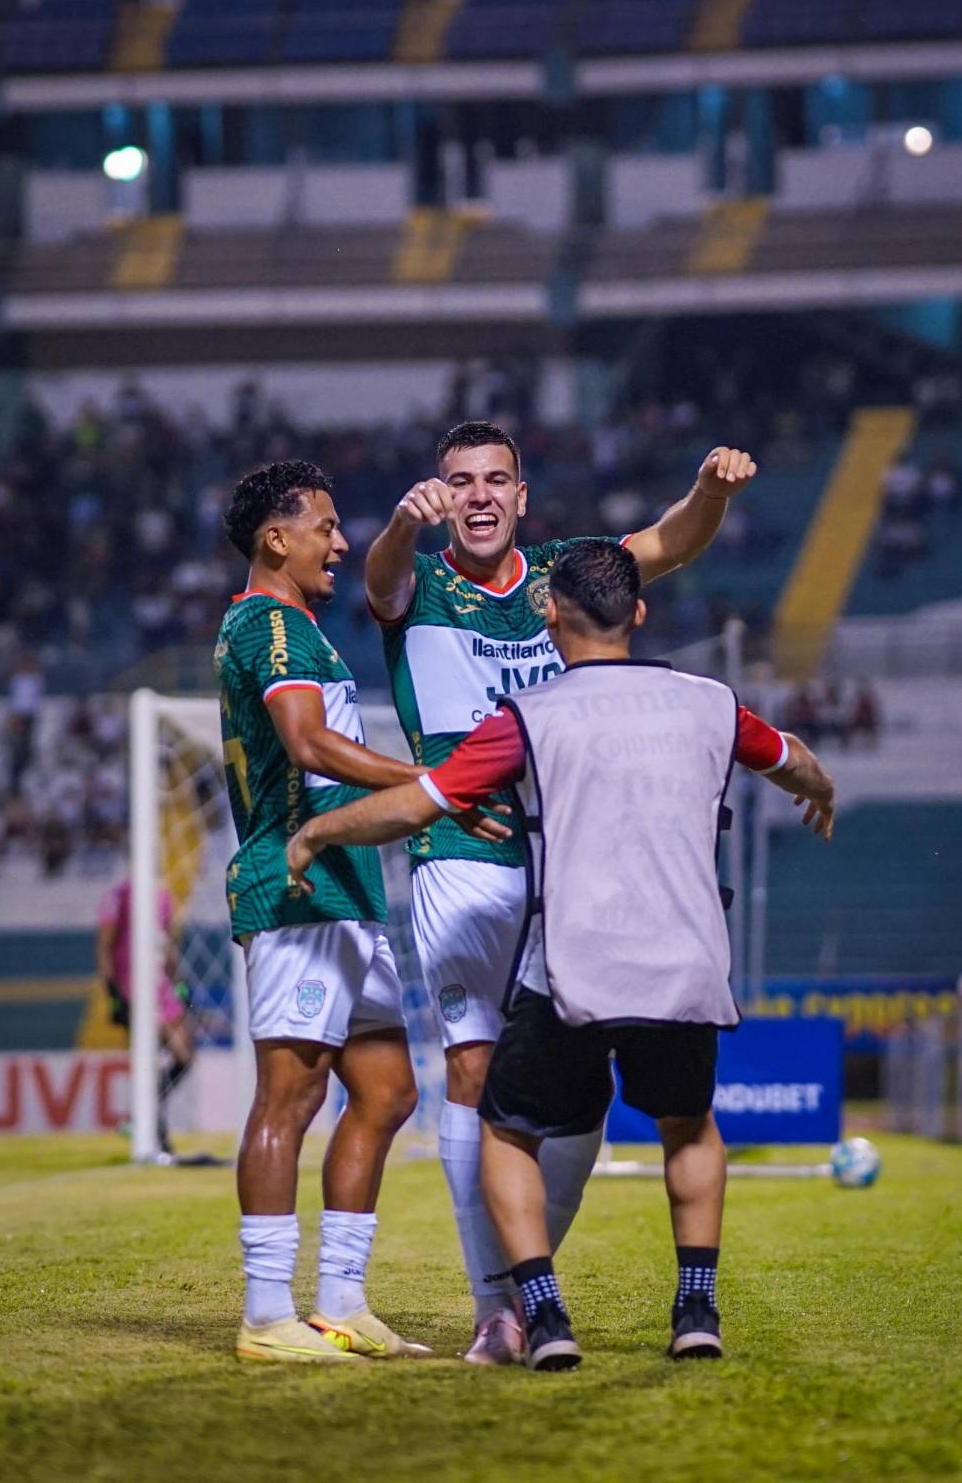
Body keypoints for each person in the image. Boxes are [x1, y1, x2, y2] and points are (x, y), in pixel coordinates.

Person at [287, 539, 835, 1370]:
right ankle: (696, 1311)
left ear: (550, 615)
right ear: (638, 612)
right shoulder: (712, 703)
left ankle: (540, 1314)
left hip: (573, 967)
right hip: (686, 962)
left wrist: (322, 829)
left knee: (505, 1129)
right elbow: (790, 757)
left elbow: (418, 805)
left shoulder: (530, 716)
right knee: (688, 1125)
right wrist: (819, 789)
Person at [364, 419, 758, 1363]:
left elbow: (669, 543)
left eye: (495, 479)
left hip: (572, 862)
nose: (479, 495)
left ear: (522, 494)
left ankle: (525, 1283)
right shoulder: (420, 581)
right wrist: (400, 524)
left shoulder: (562, 575)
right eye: (461, 481)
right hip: (460, 854)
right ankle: (495, 1309)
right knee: (473, 1071)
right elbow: (381, 582)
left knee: (571, 1095)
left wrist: (710, 490)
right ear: (443, 496)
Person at [215, 459, 507, 1366]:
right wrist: (433, 784)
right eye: (326, 527)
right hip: (296, 888)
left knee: (387, 1092)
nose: (340, 544)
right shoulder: (267, 623)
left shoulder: (298, 627)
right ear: (276, 539)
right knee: (291, 1095)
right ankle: (267, 1313)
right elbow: (308, 744)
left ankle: (342, 1303)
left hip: (345, 890)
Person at [96, 876, 193, 1158]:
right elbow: (104, 947)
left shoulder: (163, 896)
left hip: (162, 987)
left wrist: (179, 982)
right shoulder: (118, 896)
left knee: (184, 1056)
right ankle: (157, 1139)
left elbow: (167, 943)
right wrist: (113, 993)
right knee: (151, 1062)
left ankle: (139, 1116)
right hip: (133, 989)